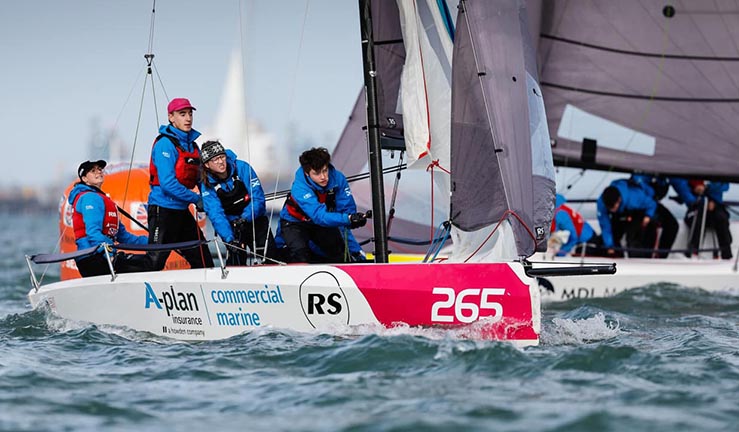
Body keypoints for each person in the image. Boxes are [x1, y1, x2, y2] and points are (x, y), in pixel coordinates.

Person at [147, 97, 214, 270]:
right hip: (163, 210)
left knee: (204, 261)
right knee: (154, 263)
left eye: (190, 114)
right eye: (182, 114)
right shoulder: (164, 144)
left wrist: (211, 198)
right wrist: (195, 199)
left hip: (182, 212)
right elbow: (168, 184)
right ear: (171, 117)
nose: (188, 118)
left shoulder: (193, 146)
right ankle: (121, 268)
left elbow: (201, 179)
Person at [278, 147, 368, 263]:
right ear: (307, 173)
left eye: (325, 170)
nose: (323, 177)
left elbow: (347, 212)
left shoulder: (338, 179)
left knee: (338, 253)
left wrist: (354, 220)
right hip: (294, 223)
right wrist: (348, 219)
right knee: (301, 256)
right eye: (317, 173)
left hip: (319, 223)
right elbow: (319, 216)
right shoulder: (300, 188)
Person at [199, 140, 278, 265]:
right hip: (232, 227)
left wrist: (245, 218)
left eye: (222, 157)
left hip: (254, 220)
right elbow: (216, 214)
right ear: (207, 165)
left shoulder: (243, 168)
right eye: (215, 159)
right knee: (235, 262)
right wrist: (229, 240)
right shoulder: (207, 185)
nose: (220, 162)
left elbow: (258, 199)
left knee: (272, 258)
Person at [69, 160, 152, 277]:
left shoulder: (104, 199)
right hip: (93, 258)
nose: (98, 172)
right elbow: (92, 233)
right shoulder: (89, 198)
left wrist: (153, 241)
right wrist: (111, 255)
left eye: (99, 169)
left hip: (102, 255)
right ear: (85, 179)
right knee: (149, 263)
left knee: (149, 262)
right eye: (93, 171)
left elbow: (124, 237)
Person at [597, 178, 678, 258]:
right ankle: (617, 256)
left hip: (641, 208)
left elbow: (651, 204)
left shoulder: (635, 198)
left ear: (619, 200)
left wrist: (648, 216)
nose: (612, 210)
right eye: (610, 209)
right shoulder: (602, 204)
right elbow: (605, 225)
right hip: (623, 212)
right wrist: (609, 246)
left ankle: (652, 256)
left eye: (613, 208)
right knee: (611, 234)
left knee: (636, 235)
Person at [672, 178, 732, 259]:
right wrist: (695, 190)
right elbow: (679, 183)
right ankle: (693, 252)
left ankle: (727, 255)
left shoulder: (717, 170)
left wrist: (707, 188)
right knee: (697, 218)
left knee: (721, 218)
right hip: (696, 204)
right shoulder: (687, 170)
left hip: (715, 205)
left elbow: (724, 185)